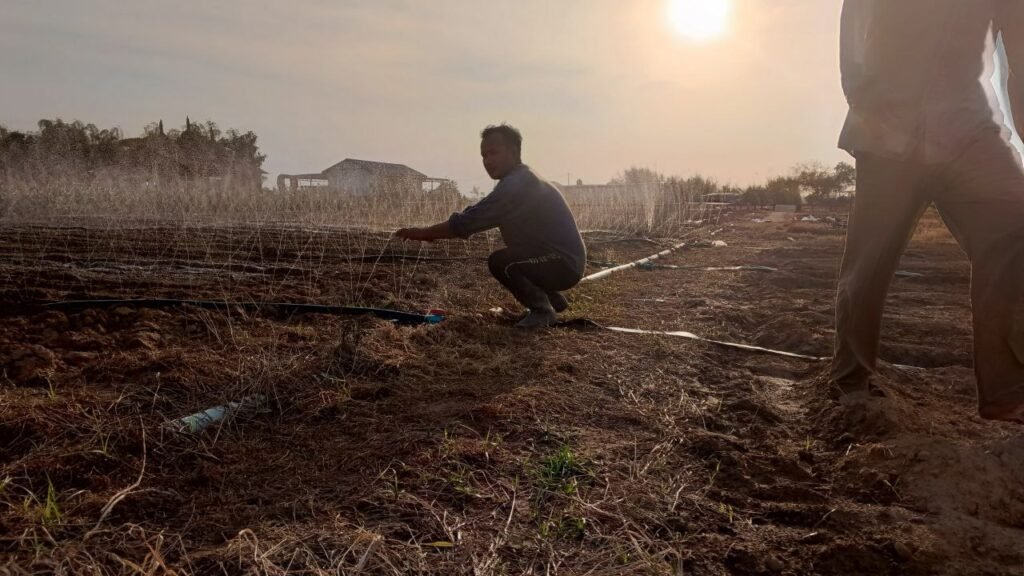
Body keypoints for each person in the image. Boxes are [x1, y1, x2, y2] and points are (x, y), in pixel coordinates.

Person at [831, 0, 1024, 421]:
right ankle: (850, 381)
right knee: (870, 260)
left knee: (1015, 226)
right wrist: (865, 100)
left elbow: (1021, 59)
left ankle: (1007, 391)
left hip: (969, 132)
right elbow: (855, 25)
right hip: (889, 130)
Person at [395, 124, 586, 329]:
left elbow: (469, 222)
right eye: (484, 155)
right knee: (512, 254)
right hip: (558, 258)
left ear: (513, 152)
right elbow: (478, 211)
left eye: (493, 153)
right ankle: (552, 299)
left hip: (563, 262)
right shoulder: (519, 179)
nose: (487, 161)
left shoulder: (518, 184)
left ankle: (542, 310)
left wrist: (424, 233)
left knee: (502, 262)